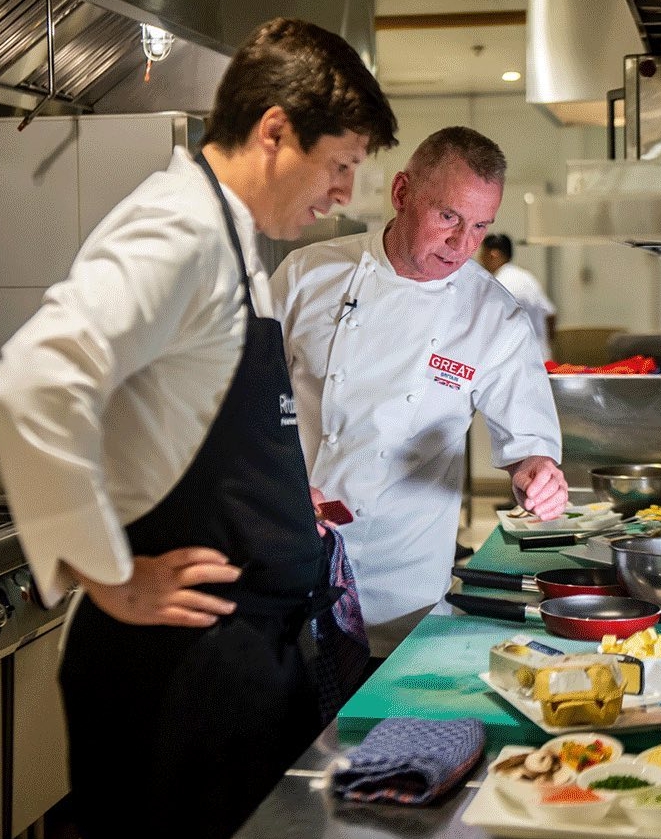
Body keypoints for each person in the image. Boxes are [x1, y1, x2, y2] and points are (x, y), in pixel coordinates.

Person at [0, 18, 397, 839]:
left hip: (243, 662)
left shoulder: (229, 234)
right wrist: (108, 574)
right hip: (178, 675)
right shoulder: (177, 227)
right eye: (341, 166)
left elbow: (194, 421)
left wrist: (281, 499)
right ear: (275, 131)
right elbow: (33, 380)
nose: (343, 194)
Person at [270, 126, 568, 662]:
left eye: (480, 226)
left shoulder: (494, 317)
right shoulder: (305, 276)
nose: (463, 244)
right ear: (402, 192)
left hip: (401, 582)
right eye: (449, 217)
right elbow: (247, 405)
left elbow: (530, 444)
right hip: (287, 551)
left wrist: (537, 473)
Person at [479, 232, 557, 360]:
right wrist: (544, 344)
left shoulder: (498, 284)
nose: (480, 259)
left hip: (515, 360)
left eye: (483, 254)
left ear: (493, 254)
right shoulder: (527, 277)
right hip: (540, 358)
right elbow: (551, 314)